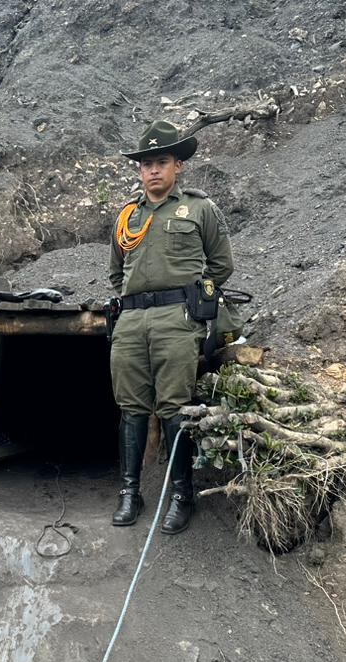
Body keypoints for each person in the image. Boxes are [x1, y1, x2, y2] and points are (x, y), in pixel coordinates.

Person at [108, 119, 234, 535]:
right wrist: (129, 308)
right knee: (130, 407)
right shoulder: (127, 217)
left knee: (173, 407)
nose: (152, 171)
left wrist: (199, 303)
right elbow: (115, 273)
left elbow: (221, 265)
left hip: (176, 319)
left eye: (161, 162)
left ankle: (181, 495)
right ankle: (130, 492)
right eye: (145, 164)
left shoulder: (199, 209)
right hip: (131, 321)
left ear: (178, 166)